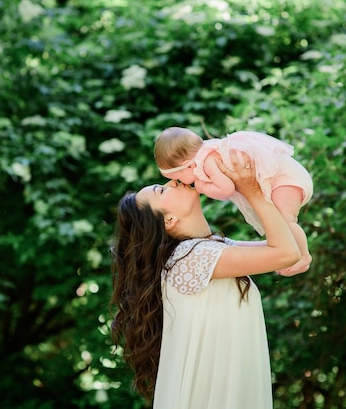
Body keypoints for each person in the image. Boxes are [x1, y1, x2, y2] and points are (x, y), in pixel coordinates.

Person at [110, 150, 301, 408]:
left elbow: (296, 252)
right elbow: (286, 254)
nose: (173, 181)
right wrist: (252, 191)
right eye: (162, 190)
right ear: (169, 220)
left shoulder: (209, 250)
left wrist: (265, 192)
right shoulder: (190, 257)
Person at [154, 126, 313, 276]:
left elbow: (226, 189)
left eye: (176, 178)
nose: (176, 183)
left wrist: (204, 187)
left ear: (185, 166)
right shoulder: (208, 154)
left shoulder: (208, 161)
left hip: (284, 179)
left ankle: (304, 255)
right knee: (281, 221)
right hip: (279, 180)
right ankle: (298, 252)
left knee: (285, 220)